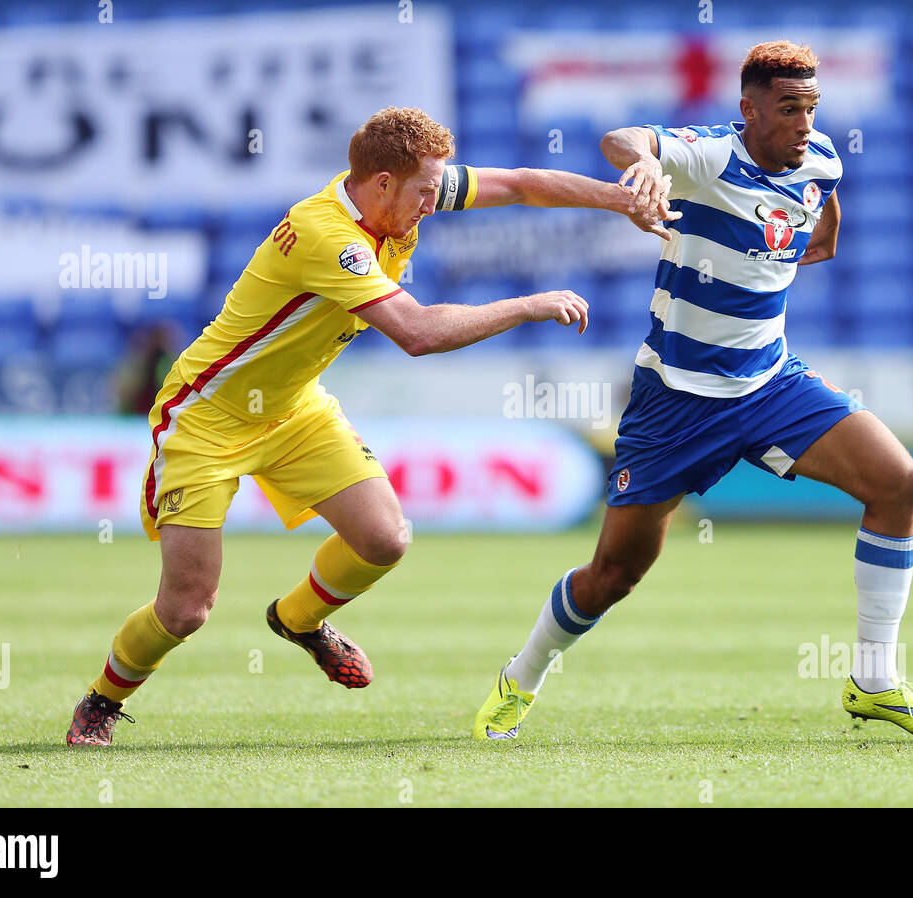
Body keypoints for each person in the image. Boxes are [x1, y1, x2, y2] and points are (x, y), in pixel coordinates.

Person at [66, 106, 669, 746]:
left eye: (438, 190)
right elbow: (415, 332)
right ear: (381, 182)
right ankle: (102, 701)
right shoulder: (330, 235)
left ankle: (298, 620)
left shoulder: (407, 191)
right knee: (187, 610)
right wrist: (528, 304)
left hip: (294, 407)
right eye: (424, 193)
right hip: (207, 418)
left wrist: (619, 200)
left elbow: (520, 183)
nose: (433, 205)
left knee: (384, 540)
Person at [473, 41, 913, 741]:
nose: (805, 123)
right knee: (614, 574)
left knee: (900, 483)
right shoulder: (711, 156)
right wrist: (650, 167)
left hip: (769, 383)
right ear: (748, 111)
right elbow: (619, 139)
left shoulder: (821, 158)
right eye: (788, 110)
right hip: (675, 400)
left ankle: (872, 680)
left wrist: (819, 238)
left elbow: (823, 206)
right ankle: (524, 674)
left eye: (811, 107)